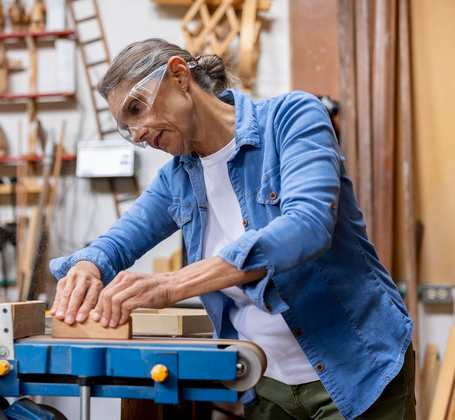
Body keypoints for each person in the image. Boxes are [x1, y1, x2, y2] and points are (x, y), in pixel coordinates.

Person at [49, 38, 415, 420]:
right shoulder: (178, 178)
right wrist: (88, 266)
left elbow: (307, 227)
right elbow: (119, 240)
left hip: (358, 369)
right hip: (267, 384)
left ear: (178, 76)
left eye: (137, 109)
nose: (138, 133)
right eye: (127, 128)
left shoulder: (290, 118)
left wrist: (172, 285)